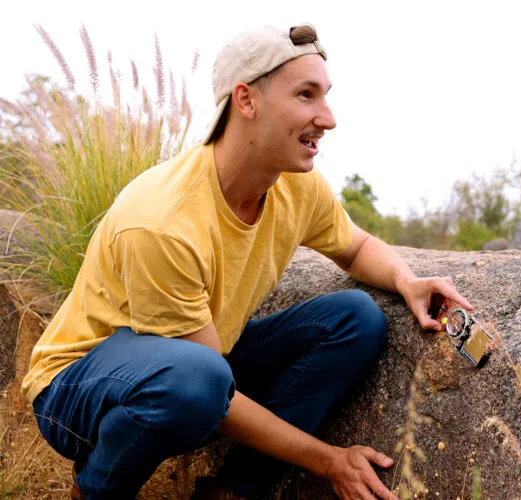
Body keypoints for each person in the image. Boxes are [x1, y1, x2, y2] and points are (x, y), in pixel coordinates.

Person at [21, 23, 470, 499]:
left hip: (197, 366)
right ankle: (94, 490)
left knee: (356, 319)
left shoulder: (296, 185)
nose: (328, 118)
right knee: (202, 381)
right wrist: (331, 461)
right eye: (306, 95)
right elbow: (217, 398)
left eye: (326, 95)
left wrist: (408, 280)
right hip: (76, 388)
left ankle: (234, 490)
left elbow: (355, 248)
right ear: (246, 101)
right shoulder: (161, 220)